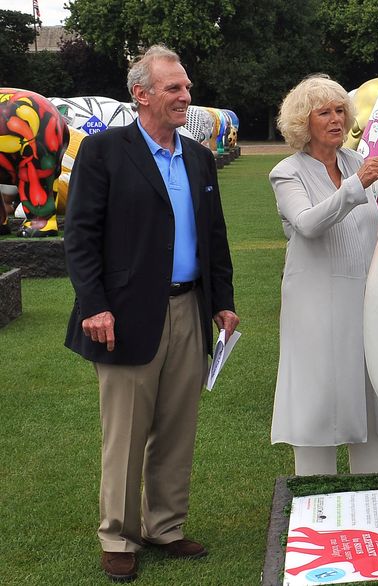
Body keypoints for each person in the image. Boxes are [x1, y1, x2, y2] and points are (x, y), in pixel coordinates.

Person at [63, 45, 239, 583]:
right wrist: (94, 305)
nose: (186, 97)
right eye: (173, 89)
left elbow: (214, 237)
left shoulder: (198, 157)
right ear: (141, 94)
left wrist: (224, 301)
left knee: (176, 427)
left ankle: (165, 527)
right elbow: (81, 236)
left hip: (190, 309)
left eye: (186, 87)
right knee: (126, 432)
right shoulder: (103, 152)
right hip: (123, 314)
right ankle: (118, 535)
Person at [269, 74, 378, 476]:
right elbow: (307, 223)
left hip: (364, 300)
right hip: (315, 305)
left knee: (370, 393)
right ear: (302, 123)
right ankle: (314, 495)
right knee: (318, 399)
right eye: (324, 112)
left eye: (341, 110)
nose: (336, 119)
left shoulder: (358, 163)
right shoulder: (286, 173)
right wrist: (356, 187)